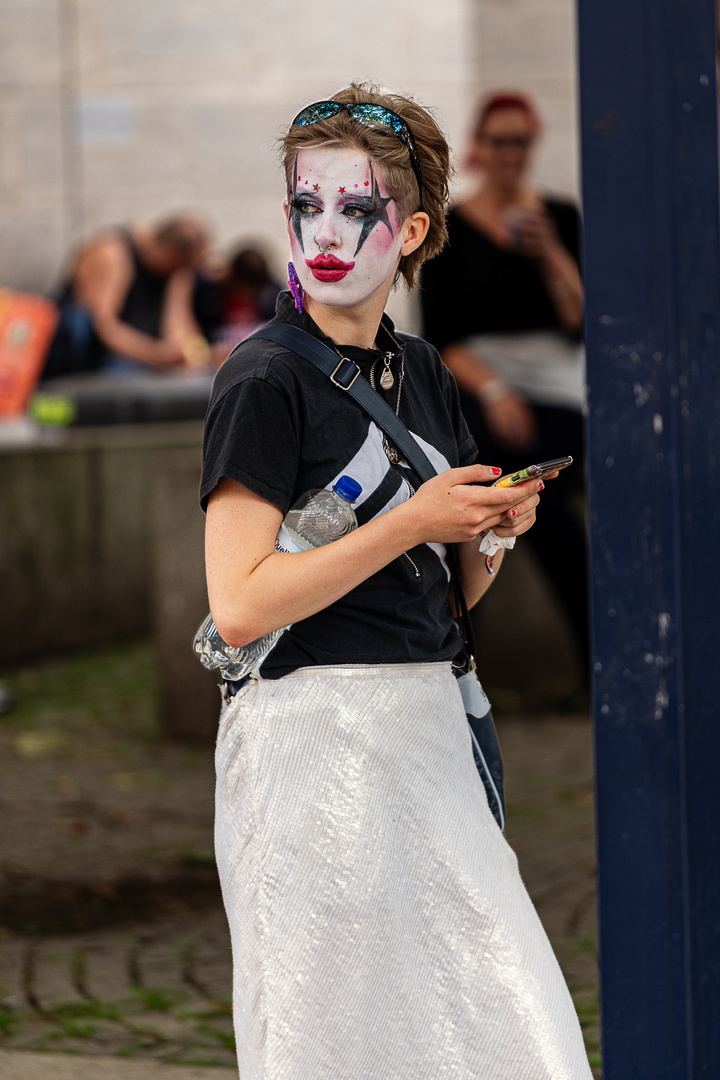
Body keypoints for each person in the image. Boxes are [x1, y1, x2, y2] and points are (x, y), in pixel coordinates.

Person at [201, 82, 592, 1079]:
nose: (325, 232)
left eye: (358, 209)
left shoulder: (422, 371)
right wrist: (413, 521)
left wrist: (489, 533)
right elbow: (240, 604)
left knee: (502, 1026)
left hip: (426, 731)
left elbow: (445, 594)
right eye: (305, 205)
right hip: (308, 739)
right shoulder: (263, 379)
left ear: (411, 227)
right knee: (335, 1040)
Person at [420, 91, 589, 676]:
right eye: (500, 141)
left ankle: (597, 667)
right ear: (480, 148)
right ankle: (462, 659)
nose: (511, 152)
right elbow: (441, 335)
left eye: (521, 141)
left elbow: (581, 321)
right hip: (480, 386)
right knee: (482, 488)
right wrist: (495, 390)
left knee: (547, 501)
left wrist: (554, 259)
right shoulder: (453, 229)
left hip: (557, 388)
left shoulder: (559, 217)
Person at [43, 213, 217, 378]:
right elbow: (103, 326)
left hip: (139, 355)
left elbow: (179, 325)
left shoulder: (178, 269)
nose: (179, 274)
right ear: (167, 252)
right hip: (94, 353)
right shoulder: (113, 253)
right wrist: (157, 355)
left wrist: (195, 354)